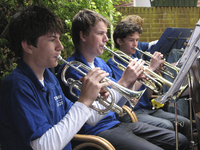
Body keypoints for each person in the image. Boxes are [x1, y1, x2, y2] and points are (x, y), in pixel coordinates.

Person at [56, 9, 190, 150]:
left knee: (181, 140)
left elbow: (118, 104)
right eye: (100, 33)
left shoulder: (100, 64)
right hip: (96, 132)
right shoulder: (73, 69)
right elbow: (92, 119)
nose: (106, 39)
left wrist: (131, 82)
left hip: (115, 124)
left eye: (106, 34)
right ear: (83, 36)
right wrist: (124, 82)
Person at [0, 5, 112, 150]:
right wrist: (84, 101)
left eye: (59, 39)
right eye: (52, 40)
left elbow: (89, 119)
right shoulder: (16, 85)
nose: (60, 47)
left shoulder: (50, 79)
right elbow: (44, 145)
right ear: (28, 45)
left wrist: (97, 98)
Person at [106, 21, 190, 137]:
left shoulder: (138, 60)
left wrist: (154, 73)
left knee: (185, 123)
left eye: (137, 40)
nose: (135, 44)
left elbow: (148, 94)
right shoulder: (114, 63)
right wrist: (150, 68)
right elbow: (127, 95)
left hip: (148, 108)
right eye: (131, 40)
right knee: (168, 126)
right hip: (131, 112)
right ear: (119, 41)